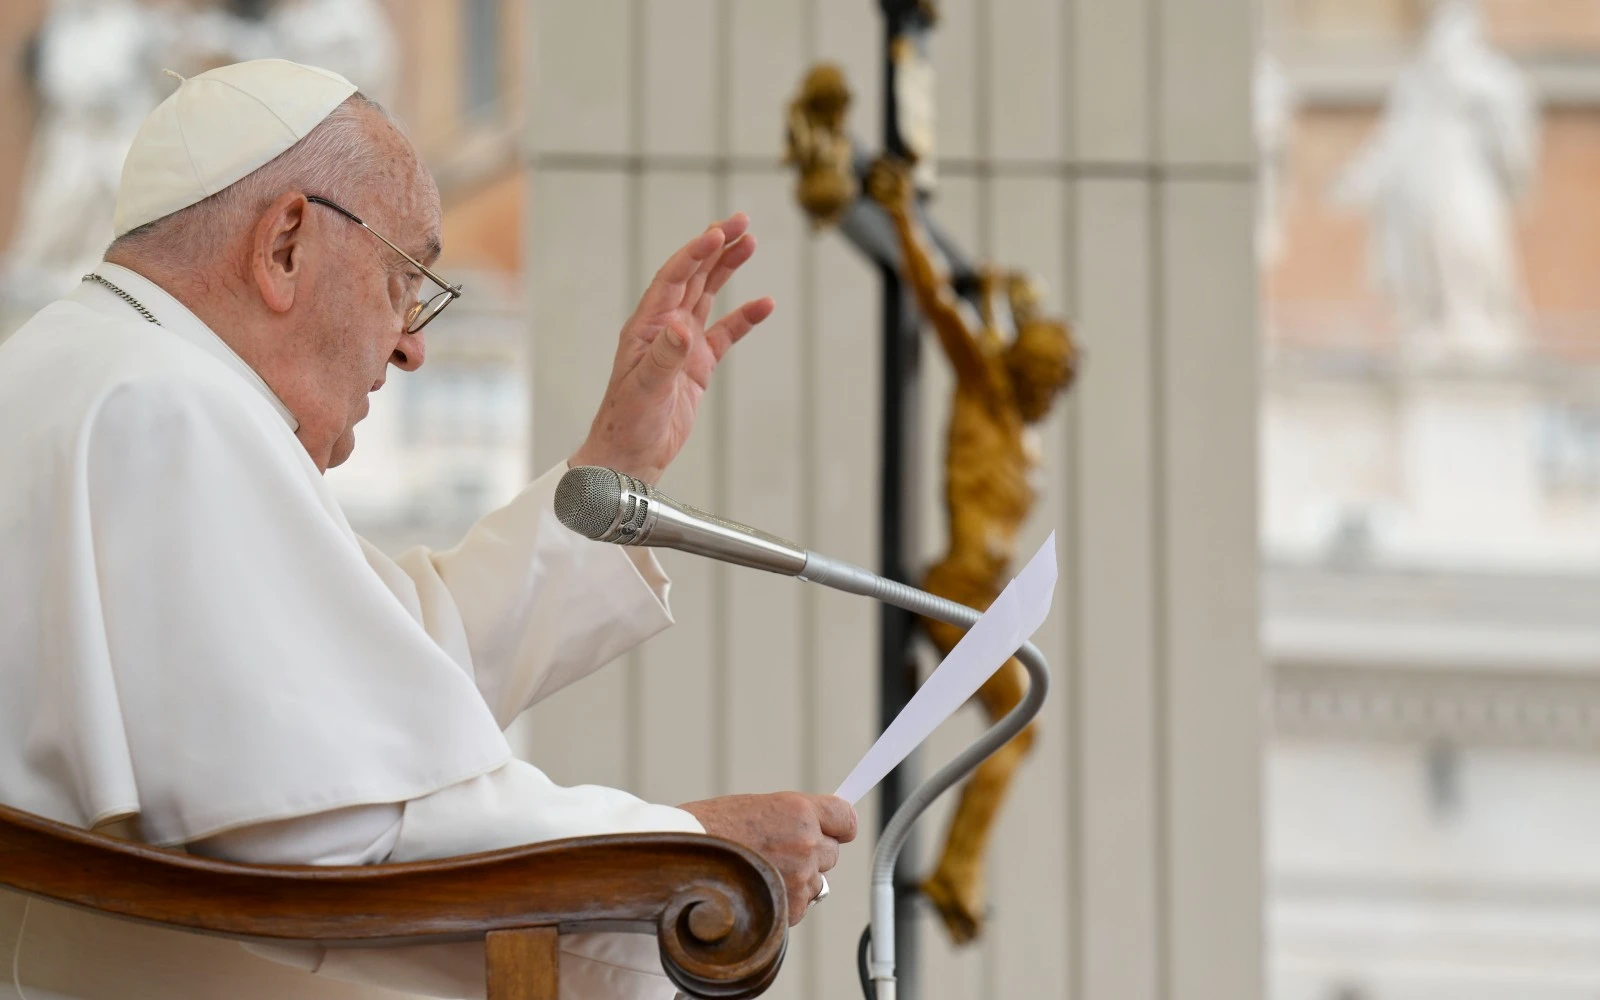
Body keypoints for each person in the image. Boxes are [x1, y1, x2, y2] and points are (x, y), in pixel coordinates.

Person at [0, 59, 855, 1000]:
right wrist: (691, 854)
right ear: (284, 245)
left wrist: (618, 465)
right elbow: (337, 826)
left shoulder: (95, 375)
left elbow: (382, 682)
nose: (412, 344)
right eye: (403, 280)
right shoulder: (169, 409)